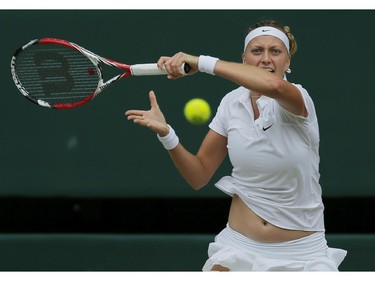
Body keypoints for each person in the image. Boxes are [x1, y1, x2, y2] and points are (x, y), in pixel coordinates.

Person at [125, 19, 347, 271]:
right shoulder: (231, 103)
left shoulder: (298, 98)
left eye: (275, 52)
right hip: (238, 247)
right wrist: (167, 135)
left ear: (287, 62)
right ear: (244, 59)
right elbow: (198, 175)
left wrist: (203, 62)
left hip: (302, 254)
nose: (266, 59)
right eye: (257, 51)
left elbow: (272, 85)